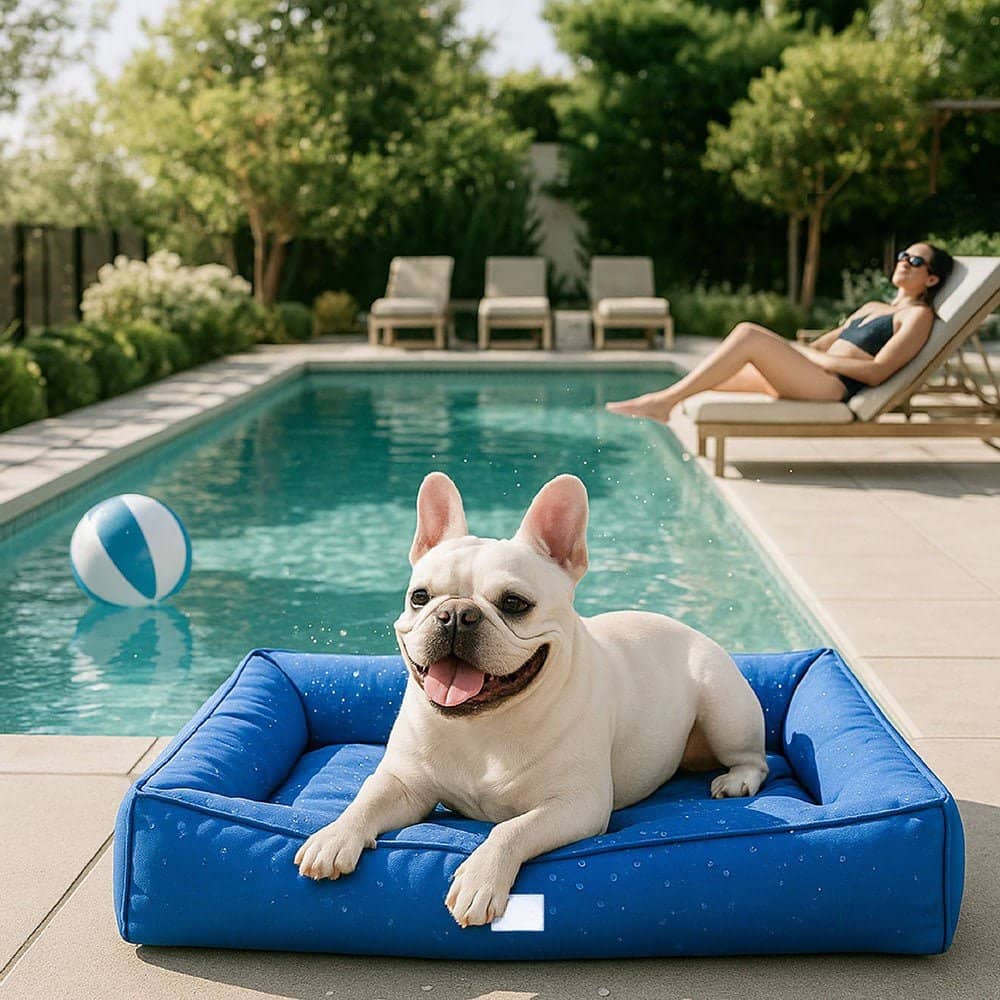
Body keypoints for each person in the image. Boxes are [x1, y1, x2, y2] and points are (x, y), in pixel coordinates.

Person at [605, 242, 955, 423]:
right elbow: (820, 344)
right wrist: (799, 353)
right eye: (903, 255)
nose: (904, 262)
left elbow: (878, 372)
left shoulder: (918, 316)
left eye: (915, 261)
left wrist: (812, 357)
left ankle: (662, 404)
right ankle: (664, 399)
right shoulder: (873, 307)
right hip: (812, 374)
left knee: (748, 334)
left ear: (932, 279)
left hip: (833, 387)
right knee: (714, 374)